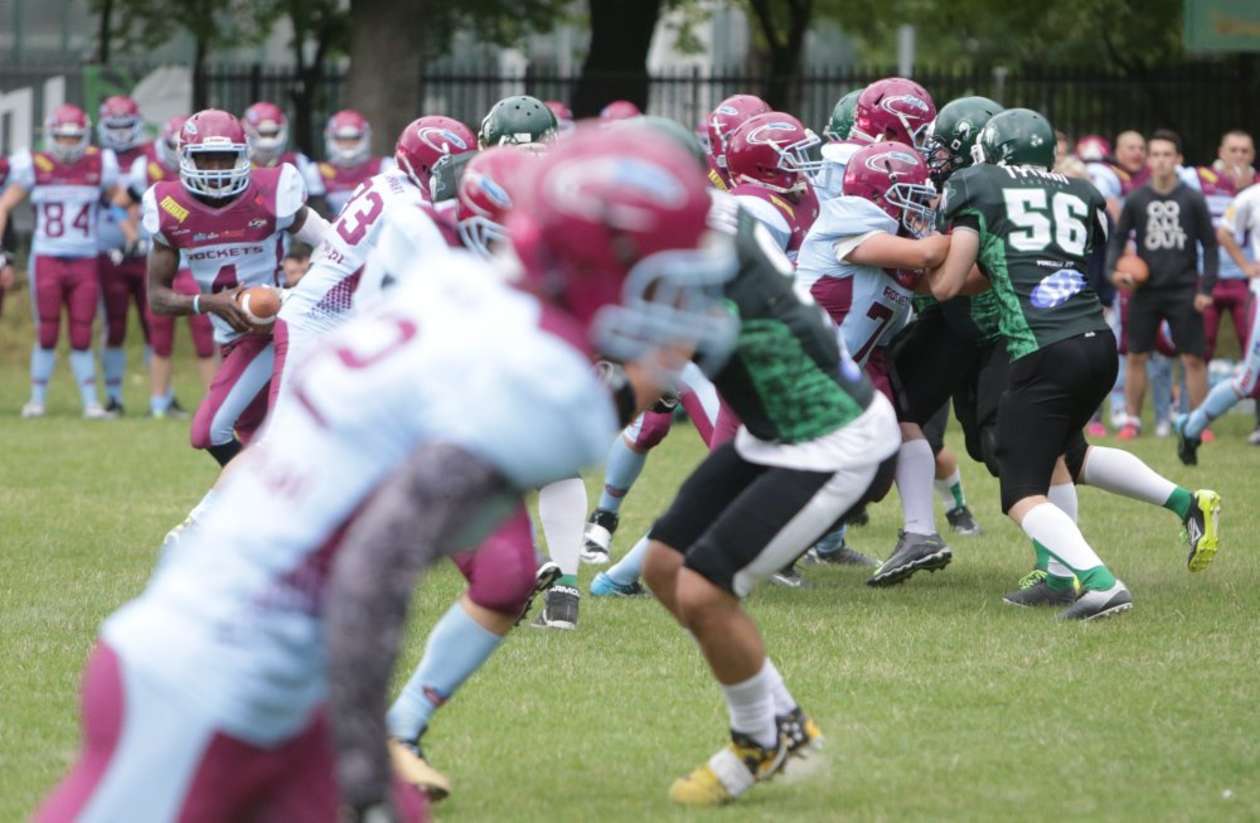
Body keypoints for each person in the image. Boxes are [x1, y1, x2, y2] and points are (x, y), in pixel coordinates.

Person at [38, 123, 734, 823]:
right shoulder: (541, 383)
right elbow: (377, 562)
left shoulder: (461, 287)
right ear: (596, 256)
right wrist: (367, 758)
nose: (680, 299)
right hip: (213, 684)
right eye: (661, 268)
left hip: (257, 668)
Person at [642, 194, 899, 806]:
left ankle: (755, 742)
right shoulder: (718, 220)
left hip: (833, 439)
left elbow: (644, 384)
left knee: (705, 588)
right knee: (661, 566)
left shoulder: (695, 264)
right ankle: (781, 717)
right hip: (772, 431)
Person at [929, 108, 1221, 618]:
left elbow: (949, 284)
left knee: (1020, 491)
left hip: (1042, 349)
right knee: (1067, 455)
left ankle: (1100, 582)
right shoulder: (1081, 190)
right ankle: (1068, 574)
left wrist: (917, 265)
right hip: (1095, 341)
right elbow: (1059, 268)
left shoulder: (978, 185)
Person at [795, 141, 949, 581]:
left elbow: (942, 282)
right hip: (791, 366)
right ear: (881, 193)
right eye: (910, 195)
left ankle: (919, 535)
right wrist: (973, 231)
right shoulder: (851, 218)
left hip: (843, 371)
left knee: (878, 470)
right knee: (767, 472)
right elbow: (924, 256)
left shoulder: (894, 239)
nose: (919, 207)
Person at [143, 109, 331, 468]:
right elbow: (158, 298)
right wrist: (210, 303)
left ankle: (252, 497)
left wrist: (299, 292)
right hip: (229, 337)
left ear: (243, 154)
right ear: (184, 158)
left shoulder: (271, 192)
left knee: (209, 431)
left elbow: (334, 243)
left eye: (224, 158)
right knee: (256, 437)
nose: (215, 169)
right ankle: (276, 503)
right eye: (205, 159)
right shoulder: (169, 207)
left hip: (271, 329)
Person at [0, 104, 125, 418]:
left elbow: (122, 198)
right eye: (63, 137)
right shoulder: (34, 164)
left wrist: (117, 216)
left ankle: (91, 402)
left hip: (84, 259)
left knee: (83, 332)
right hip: (48, 259)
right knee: (47, 331)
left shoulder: (100, 163)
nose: (69, 144)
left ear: (84, 136)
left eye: (74, 138)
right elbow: (4, 204)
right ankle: (37, 400)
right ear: (52, 135)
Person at [1106, 129, 1218, 437]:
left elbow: (1210, 245)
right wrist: (1114, 272)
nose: (1160, 161)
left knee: (1193, 358)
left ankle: (1199, 422)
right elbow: (1117, 239)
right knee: (1136, 355)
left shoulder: (1192, 199)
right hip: (1146, 290)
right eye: (1154, 154)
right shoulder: (1137, 199)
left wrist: (1206, 288)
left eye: (1167, 155)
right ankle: (1132, 421)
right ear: (1149, 160)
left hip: (1184, 289)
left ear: (1178, 159)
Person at [124, 114, 217, 416]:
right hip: (162, 262)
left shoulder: (209, 174)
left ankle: (214, 403)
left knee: (206, 338)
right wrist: (131, 233)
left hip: (194, 265)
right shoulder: (146, 170)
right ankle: (158, 402)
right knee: (159, 338)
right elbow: (124, 204)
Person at [1173, 176, 1260, 463]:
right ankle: (1192, 427)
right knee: (1248, 381)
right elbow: (1224, 232)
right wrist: (1247, 266)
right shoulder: (1251, 196)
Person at [96, 95, 153, 414]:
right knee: (114, 326)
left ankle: (159, 396)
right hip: (108, 250)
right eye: (113, 126)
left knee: (154, 324)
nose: (119, 133)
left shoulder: (149, 156)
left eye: (125, 126)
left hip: (147, 248)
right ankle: (115, 397)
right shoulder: (94, 158)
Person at [1192, 130, 1255, 364]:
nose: (1239, 155)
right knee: (1200, 347)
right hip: (1207, 275)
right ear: (1221, 153)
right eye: (1233, 150)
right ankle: (1192, 401)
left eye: (1244, 150)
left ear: (1252, 155)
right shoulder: (1201, 179)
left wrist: (1243, 191)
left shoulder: (1257, 186)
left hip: (1245, 278)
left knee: (1251, 343)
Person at [242, 101, 327, 212]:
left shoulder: (301, 163)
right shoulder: (238, 164)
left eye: (273, 133)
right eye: (263, 133)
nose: (268, 140)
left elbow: (317, 205)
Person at [318, 109, 395, 216]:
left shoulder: (385, 167)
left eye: (354, 139)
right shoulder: (317, 172)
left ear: (365, 137)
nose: (348, 145)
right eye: (342, 140)